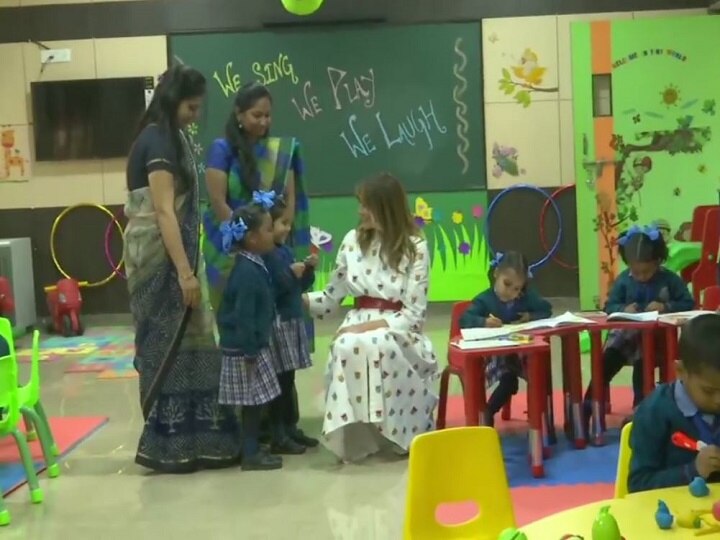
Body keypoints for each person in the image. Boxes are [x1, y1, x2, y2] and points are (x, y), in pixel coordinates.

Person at [124, 65, 241, 473]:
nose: (195, 114)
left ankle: (201, 440)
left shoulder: (172, 137)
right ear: (175, 101)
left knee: (196, 347)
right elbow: (162, 211)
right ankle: (166, 445)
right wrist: (184, 273)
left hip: (179, 259)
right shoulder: (157, 140)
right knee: (166, 349)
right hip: (160, 262)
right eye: (192, 107)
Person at [304, 173, 438, 462]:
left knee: (370, 342)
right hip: (358, 321)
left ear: (384, 207)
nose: (359, 211)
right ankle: (356, 437)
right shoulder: (352, 241)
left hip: (397, 327)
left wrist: (370, 326)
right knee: (348, 344)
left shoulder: (415, 247)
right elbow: (330, 299)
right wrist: (297, 298)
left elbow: (414, 314)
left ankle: (397, 431)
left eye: (365, 204)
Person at [202, 81, 310, 312]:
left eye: (268, 115)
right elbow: (219, 202)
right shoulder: (221, 150)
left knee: (273, 318)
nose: (264, 121)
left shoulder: (279, 152)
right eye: (256, 115)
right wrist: (245, 240)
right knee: (236, 316)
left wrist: (274, 235)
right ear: (239, 114)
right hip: (228, 244)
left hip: (269, 243)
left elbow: (289, 200)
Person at [583, 224, 694, 419]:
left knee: (643, 364)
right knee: (605, 363)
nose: (641, 276)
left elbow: (687, 302)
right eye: (636, 272)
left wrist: (665, 307)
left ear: (658, 262)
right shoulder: (624, 280)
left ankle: (640, 412)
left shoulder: (669, 279)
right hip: (626, 338)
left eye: (646, 272)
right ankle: (587, 407)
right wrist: (622, 310)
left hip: (658, 342)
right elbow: (609, 305)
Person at [216, 202, 286, 471]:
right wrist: (250, 351)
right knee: (251, 403)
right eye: (268, 230)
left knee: (255, 402)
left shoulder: (254, 264)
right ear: (252, 238)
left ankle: (253, 448)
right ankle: (250, 453)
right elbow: (244, 315)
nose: (273, 234)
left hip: (252, 346)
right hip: (246, 350)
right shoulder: (247, 272)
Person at [458, 251, 552, 426]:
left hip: (518, 353)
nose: (511, 292)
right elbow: (464, 320)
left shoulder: (525, 299)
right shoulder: (484, 300)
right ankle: (488, 413)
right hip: (492, 355)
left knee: (539, 370)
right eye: (507, 284)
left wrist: (530, 316)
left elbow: (546, 310)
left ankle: (541, 422)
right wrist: (484, 322)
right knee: (510, 380)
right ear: (496, 274)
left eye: (517, 288)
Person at [628, 314, 720, 493]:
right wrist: (693, 471)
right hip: (671, 514)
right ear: (680, 371)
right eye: (708, 391)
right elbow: (638, 485)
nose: (719, 400)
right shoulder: (655, 412)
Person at [263, 192, 319, 451]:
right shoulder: (266, 255)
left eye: (288, 223)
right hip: (278, 325)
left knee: (289, 379)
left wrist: (308, 272)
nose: (287, 228)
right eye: (282, 223)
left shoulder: (284, 251)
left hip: (291, 322)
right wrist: (289, 274)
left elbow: (297, 286)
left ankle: (290, 427)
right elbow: (273, 289)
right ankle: (278, 433)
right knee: (279, 381)